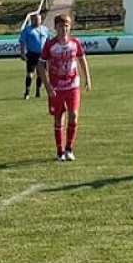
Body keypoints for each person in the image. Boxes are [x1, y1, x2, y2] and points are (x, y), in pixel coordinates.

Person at [37, 13, 91, 161]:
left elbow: (81, 59)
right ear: (55, 28)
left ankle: (69, 149)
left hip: (73, 86)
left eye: (67, 26)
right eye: (61, 26)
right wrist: (47, 86)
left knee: (73, 115)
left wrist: (87, 78)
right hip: (56, 88)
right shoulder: (50, 45)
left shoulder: (75, 42)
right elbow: (40, 65)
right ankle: (60, 151)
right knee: (58, 119)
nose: (64, 29)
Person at [18, 12, 50, 100]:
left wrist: (50, 54)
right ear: (32, 20)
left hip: (42, 55)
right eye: (35, 19)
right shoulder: (27, 30)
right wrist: (22, 53)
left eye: (39, 19)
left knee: (41, 74)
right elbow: (22, 41)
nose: (37, 21)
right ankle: (27, 92)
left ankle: (38, 91)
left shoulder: (45, 29)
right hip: (32, 54)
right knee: (30, 74)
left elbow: (48, 42)